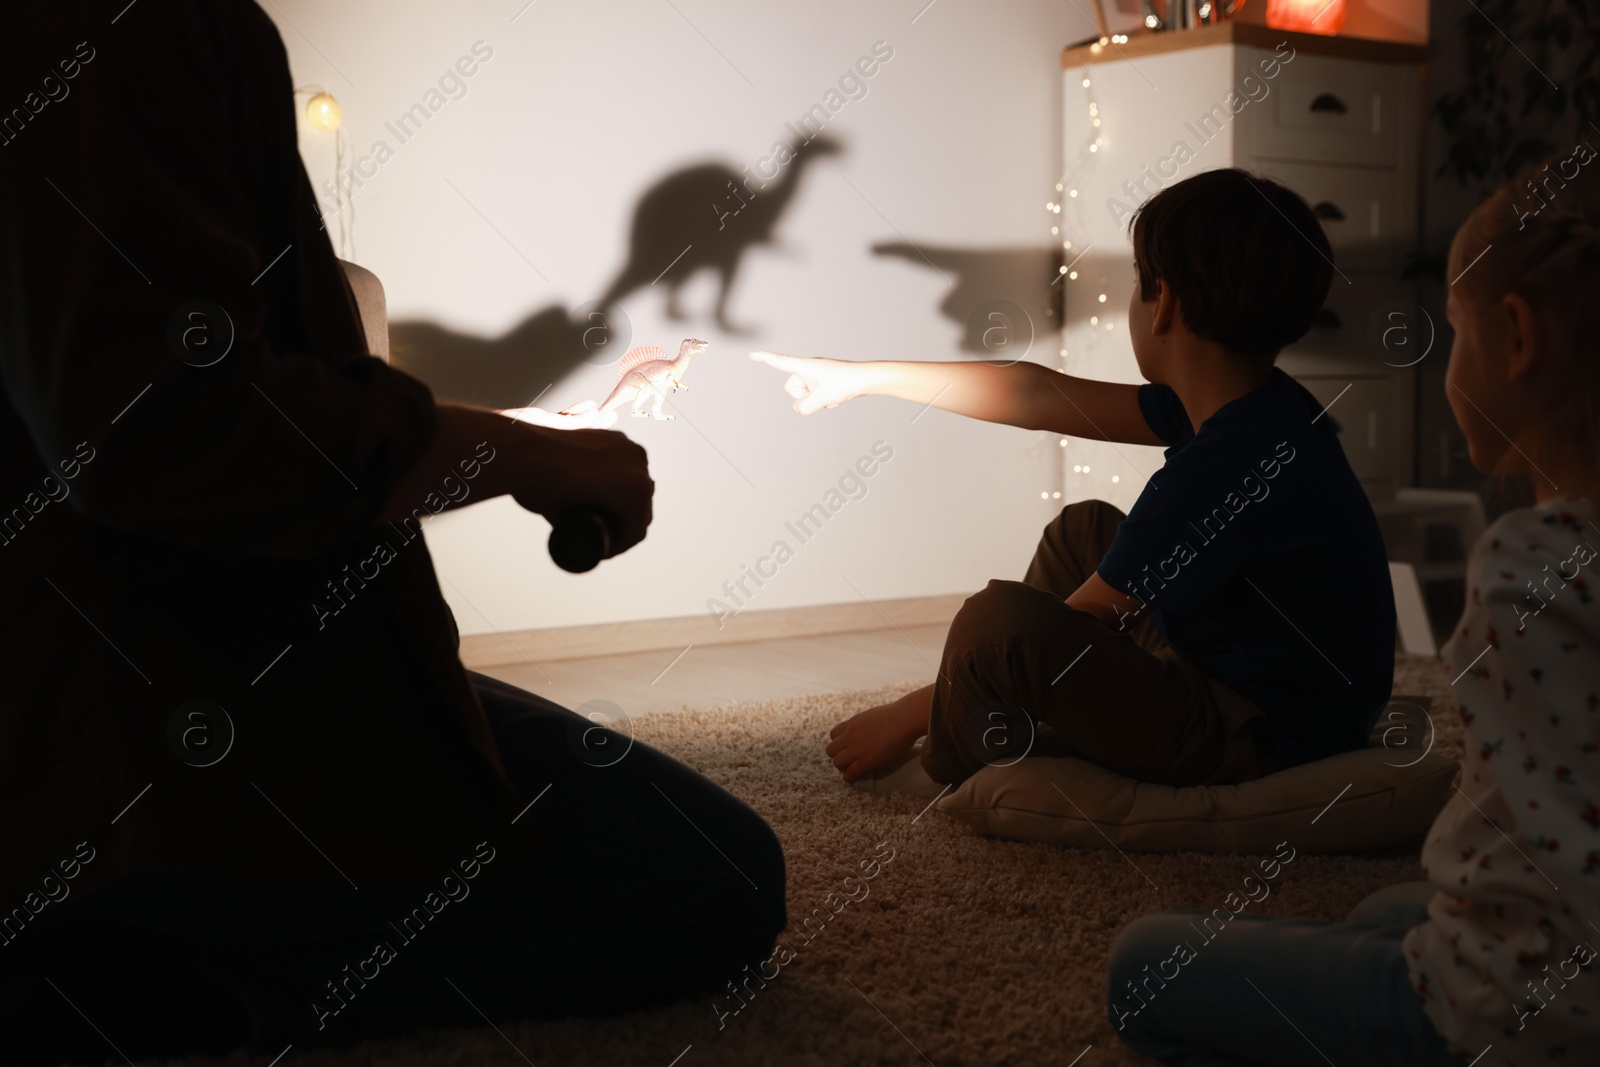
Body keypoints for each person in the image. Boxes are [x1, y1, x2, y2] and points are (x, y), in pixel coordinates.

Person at [0, 4, 784, 1062]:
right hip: (136, 706)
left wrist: (549, 428)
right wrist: (535, 453)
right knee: (717, 882)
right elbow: (162, 427)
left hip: (165, 646)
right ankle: (132, 983)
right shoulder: (122, 27)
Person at [1106, 151, 1600, 1064]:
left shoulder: (1532, 567)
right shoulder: (1259, 420)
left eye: (1454, 332)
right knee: (1379, 910)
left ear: (1519, 338)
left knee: (1145, 963)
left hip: (1504, 1009)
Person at [752, 168, 1394, 794]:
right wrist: (863, 377)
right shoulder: (1254, 404)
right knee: (1081, 531)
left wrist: (902, 715)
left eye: (1140, 283)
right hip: (1245, 677)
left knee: (996, 624)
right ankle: (997, 716)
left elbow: (1085, 618)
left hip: (1256, 737)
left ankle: (955, 763)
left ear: (1164, 302)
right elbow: (1035, 394)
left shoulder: (1226, 464)